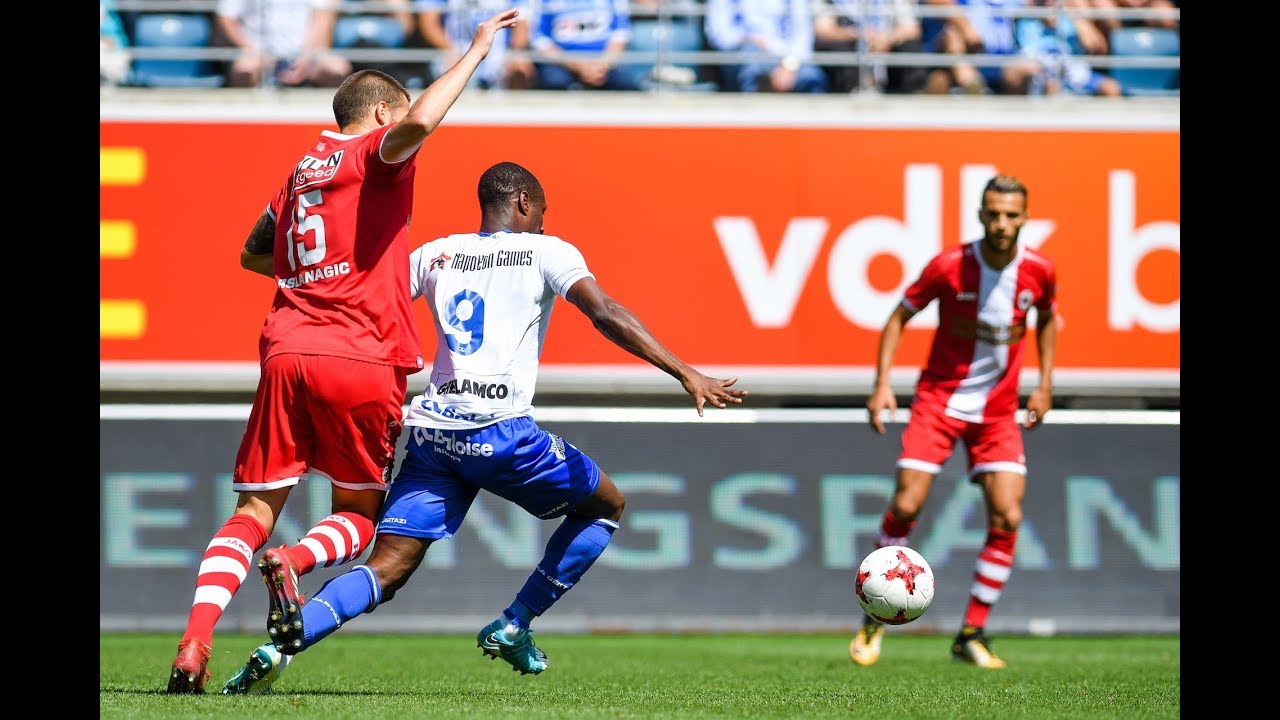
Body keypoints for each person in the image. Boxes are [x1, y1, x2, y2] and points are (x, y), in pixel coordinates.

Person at [220, 160, 749, 693]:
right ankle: (515, 622)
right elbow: (605, 311)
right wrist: (686, 371)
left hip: (433, 434)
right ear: (523, 202)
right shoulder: (549, 250)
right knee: (606, 506)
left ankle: (276, 649)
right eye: (541, 209)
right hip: (499, 432)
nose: (543, 219)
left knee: (388, 568)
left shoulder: (436, 254)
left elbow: (355, 300)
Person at [165, 8, 523, 695]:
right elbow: (418, 125)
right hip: (360, 354)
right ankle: (294, 563)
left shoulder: (299, 173)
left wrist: (312, 275)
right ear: (383, 109)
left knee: (250, 510)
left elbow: (251, 255)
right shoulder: (374, 154)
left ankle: (194, 641)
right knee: (358, 515)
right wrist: (476, 52)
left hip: (285, 350)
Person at [849, 174, 1058, 670]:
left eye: (1011, 214)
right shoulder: (949, 267)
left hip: (998, 412)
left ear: (1025, 218)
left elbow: (1047, 318)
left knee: (1007, 516)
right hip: (939, 401)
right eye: (993, 213)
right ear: (981, 215)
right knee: (906, 502)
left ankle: (972, 632)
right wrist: (882, 384)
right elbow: (898, 316)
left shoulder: (1040, 272)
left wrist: (1046, 383)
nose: (1002, 222)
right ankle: (875, 616)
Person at [216, 0, 351, 87]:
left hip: (307, 54)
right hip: (256, 54)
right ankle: (243, 121)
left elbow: (323, 16)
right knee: (245, 69)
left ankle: (331, 120)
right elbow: (227, 18)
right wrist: (251, 50)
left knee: (337, 69)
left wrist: (306, 56)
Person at [704, 0, 829, 93]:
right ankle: (751, 122)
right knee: (752, 66)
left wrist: (789, 66)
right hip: (743, 54)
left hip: (787, 59)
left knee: (812, 77)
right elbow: (718, 34)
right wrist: (747, 39)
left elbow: (802, 38)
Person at [812, 0, 928, 94]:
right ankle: (852, 95)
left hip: (887, 52)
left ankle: (909, 99)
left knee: (909, 48)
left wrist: (886, 39)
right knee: (838, 50)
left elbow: (912, 29)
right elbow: (823, 31)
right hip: (852, 52)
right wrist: (860, 35)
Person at [416, 0, 536, 90]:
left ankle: (510, 118)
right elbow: (429, 24)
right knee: (447, 70)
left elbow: (521, 26)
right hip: (457, 51)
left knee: (520, 68)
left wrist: (514, 54)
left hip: (498, 54)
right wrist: (452, 52)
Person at [526, 0, 642, 91]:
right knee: (554, 83)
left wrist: (602, 65)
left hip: (604, 65)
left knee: (628, 86)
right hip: (560, 64)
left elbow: (621, 34)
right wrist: (578, 66)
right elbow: (539, 39)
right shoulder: (544, 2)